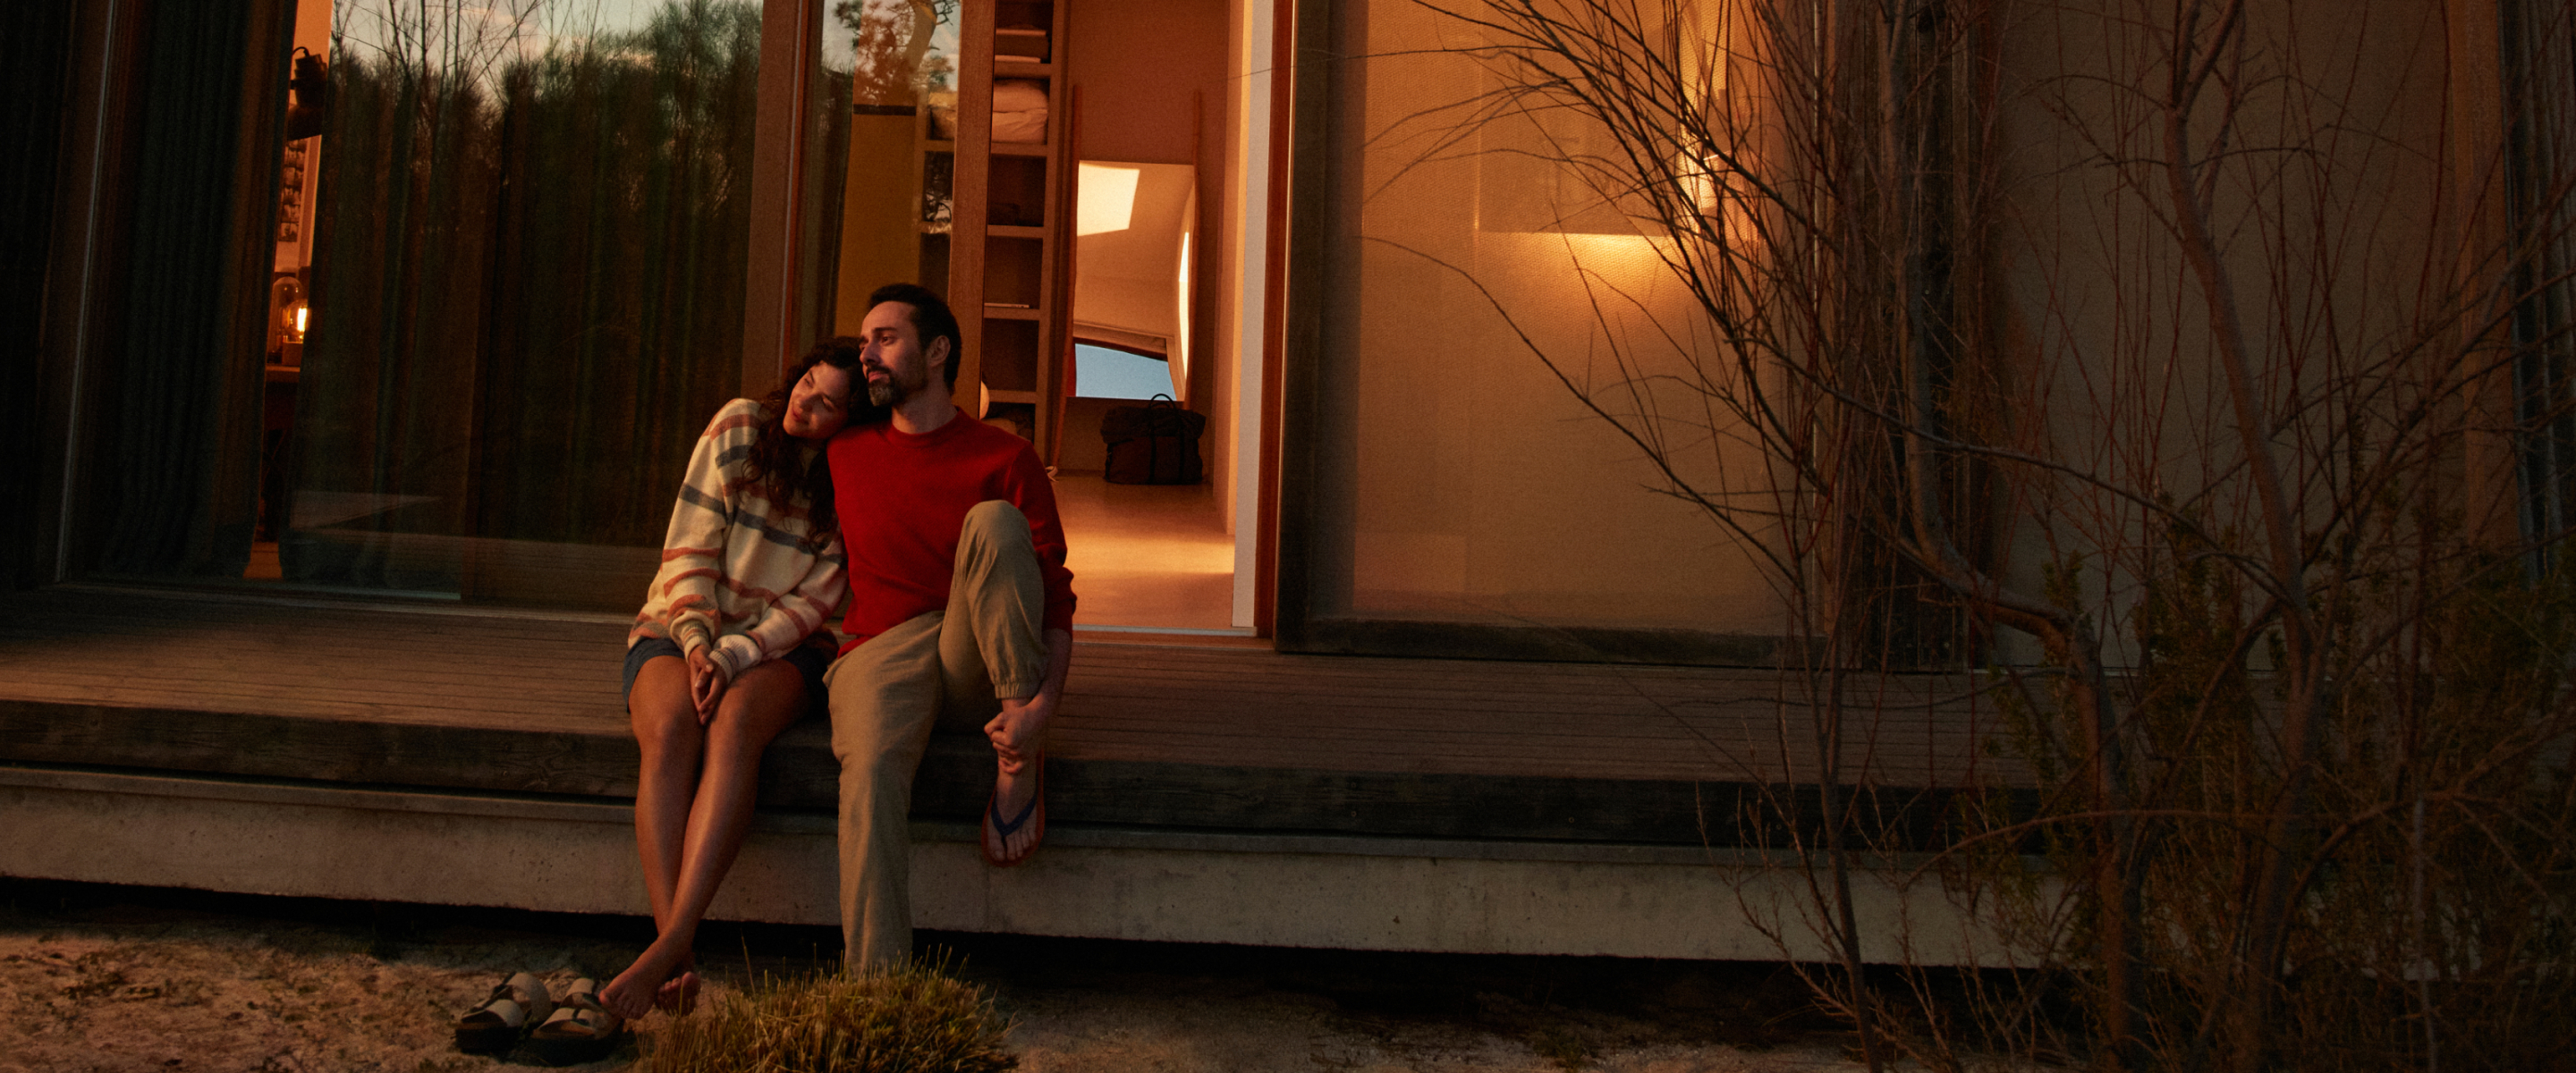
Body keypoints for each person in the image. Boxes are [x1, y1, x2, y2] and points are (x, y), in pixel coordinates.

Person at [599, 339, 870, 1018]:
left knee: (736, 721)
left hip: (783, 649)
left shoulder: (852, 482)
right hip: (680, 625)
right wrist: (697, 642)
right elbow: (690, 546)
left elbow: (814, 602)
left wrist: (734, 656)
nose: (806, 401)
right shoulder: (739, 426)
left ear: (849, 421)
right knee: (669, 729)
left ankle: (668, 946)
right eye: (807, 382)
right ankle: (676, 947)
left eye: (827, 402)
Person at [825, 283, 1076, 970]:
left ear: (937, 352)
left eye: (886, 338)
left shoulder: (1005, 456)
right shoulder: (844, 451)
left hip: (976, 653)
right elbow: (774, 429)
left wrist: (1043, 707)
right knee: (871, 770)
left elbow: (1054, 601)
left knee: (994, 521)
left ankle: (1020, 751)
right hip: (877, 648)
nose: (867, 354)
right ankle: (879, 994)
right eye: (864, 341)